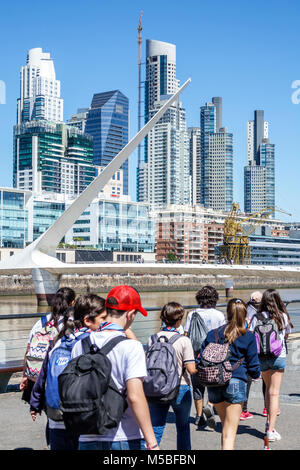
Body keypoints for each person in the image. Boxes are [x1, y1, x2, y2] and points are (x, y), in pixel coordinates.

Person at [71, 285, 159, 451]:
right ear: (131, 314)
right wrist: (152, 442)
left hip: (86, 435)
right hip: (124, 436)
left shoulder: (80, 345)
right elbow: (135, 396)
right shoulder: (132, 347)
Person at [30, 294, 107, 450]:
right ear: (87, 320)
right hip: (82, 417)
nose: (106, 322)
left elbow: (42, 376)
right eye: (103, 318)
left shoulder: (58, 343)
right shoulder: (92, 342)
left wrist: (35, 403)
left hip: (56, 416)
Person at [200, 299, 260, 450]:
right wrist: (255, 374)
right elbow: (253, 365)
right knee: (229, 432)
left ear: (227, 313)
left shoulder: (212, 334)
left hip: (214, 383)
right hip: (236, 382)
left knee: (225, 427)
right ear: (244, 315)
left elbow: (201, 356)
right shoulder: (248, 336)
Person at [147, 302, 197, 450]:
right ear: (179, 320)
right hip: (180, 387)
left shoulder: (152, 338)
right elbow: (191, 369)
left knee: (156, 426)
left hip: (156, 386)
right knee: (182, 426)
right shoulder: (183, 340)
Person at [249, 289, 293, 442]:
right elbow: (286, 334)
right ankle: (270, 429)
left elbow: (250, 335)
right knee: (274, 393)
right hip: (277, 356)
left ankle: (269, 421)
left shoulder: (256, 317)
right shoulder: (283, 316)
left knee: (268, 390)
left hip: (261, 357)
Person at [20, 287, 76, 404]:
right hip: (59, 376)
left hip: (37, 375)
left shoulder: (41, 322)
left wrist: (26, 375)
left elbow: (28, 350)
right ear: (72, 303)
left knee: (49, 413)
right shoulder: (72, 324)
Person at [184, 285, 226, 429]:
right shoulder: (219, 315)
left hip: (196, 356)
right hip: (215, 356)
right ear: (215, 299)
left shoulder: (192, 314)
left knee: (197, 387)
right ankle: (210, 404)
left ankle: (198, 416)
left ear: (199, 298)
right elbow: (223, 337)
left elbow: (186, 336)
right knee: (215, 383)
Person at [241, 291, 263, 421]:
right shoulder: (254, 314)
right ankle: (243, 409)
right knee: (247, 378)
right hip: (249, 347)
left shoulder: (246, 309)